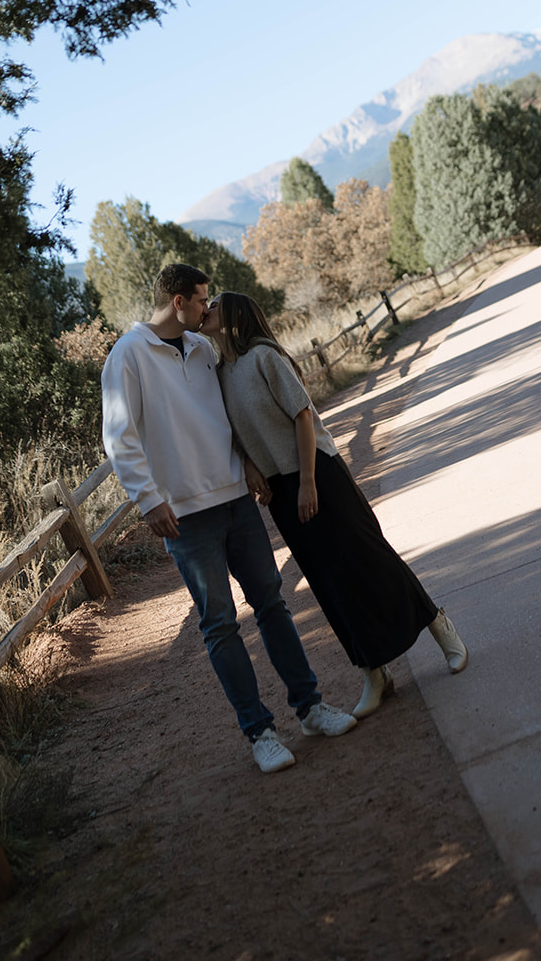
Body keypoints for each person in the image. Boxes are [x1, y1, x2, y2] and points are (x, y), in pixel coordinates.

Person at [100, 263, 358, 774]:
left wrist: (247, 464)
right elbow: (119, 436)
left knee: (272, 604)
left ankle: (309, 707)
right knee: (219, 625)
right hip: (186, 517)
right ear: (178, 301)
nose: (207, 307)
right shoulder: (127, 356)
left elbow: (226, 418)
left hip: (237, 500)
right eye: (200, 299)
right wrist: (148, 499)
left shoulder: (201, 350)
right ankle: (259, 732)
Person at [201, 291, 469, 720]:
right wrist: (252, 466)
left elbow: (303, 415)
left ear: (232, 315)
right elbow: (234, 431)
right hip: (278, 489)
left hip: (318, 472)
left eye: (213, 303)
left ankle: (439, 627)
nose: (206, 309)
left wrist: (308, 481)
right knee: (327, 581)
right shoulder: (219, 374)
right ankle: (373, 672)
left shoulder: (265, 357)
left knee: (369, 558)